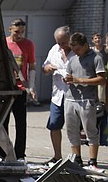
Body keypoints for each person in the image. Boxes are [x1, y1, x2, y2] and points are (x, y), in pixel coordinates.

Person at [63, 32, 104, 169]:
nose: (76, 52)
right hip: (71, 98)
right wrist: (67, 79)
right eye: (74, 50)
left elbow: (102, 79)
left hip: (87, 99)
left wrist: (80, 80)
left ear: (86, 45)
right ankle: (77, 159)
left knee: (90, 130)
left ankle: (92, 161)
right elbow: (69, 75)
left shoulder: (96, 58)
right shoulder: (73, 58)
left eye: (78, 49)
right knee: (71, 131)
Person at [3, 18, 36, 161]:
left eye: (22, 32)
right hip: (5, 87)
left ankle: (20, 154)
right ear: (10, 29)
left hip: (20, 87)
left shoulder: (28, 44)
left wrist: (31, 87)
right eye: (17, 32)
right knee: (3, 123)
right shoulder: (4, 42)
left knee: (21, 123)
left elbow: (32, 66)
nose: (19, 35)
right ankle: (2, 153)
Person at [41, 26, 75, 165]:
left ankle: (76, 157)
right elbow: (44, 68)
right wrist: (48, 68)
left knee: (74, 127)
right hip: (57, 95)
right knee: (54, 125)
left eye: (64, 42)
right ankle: (57, 156)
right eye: (59, 42)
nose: (61, 46)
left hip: (73, 96)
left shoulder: (77, 51)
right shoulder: (54, 49)